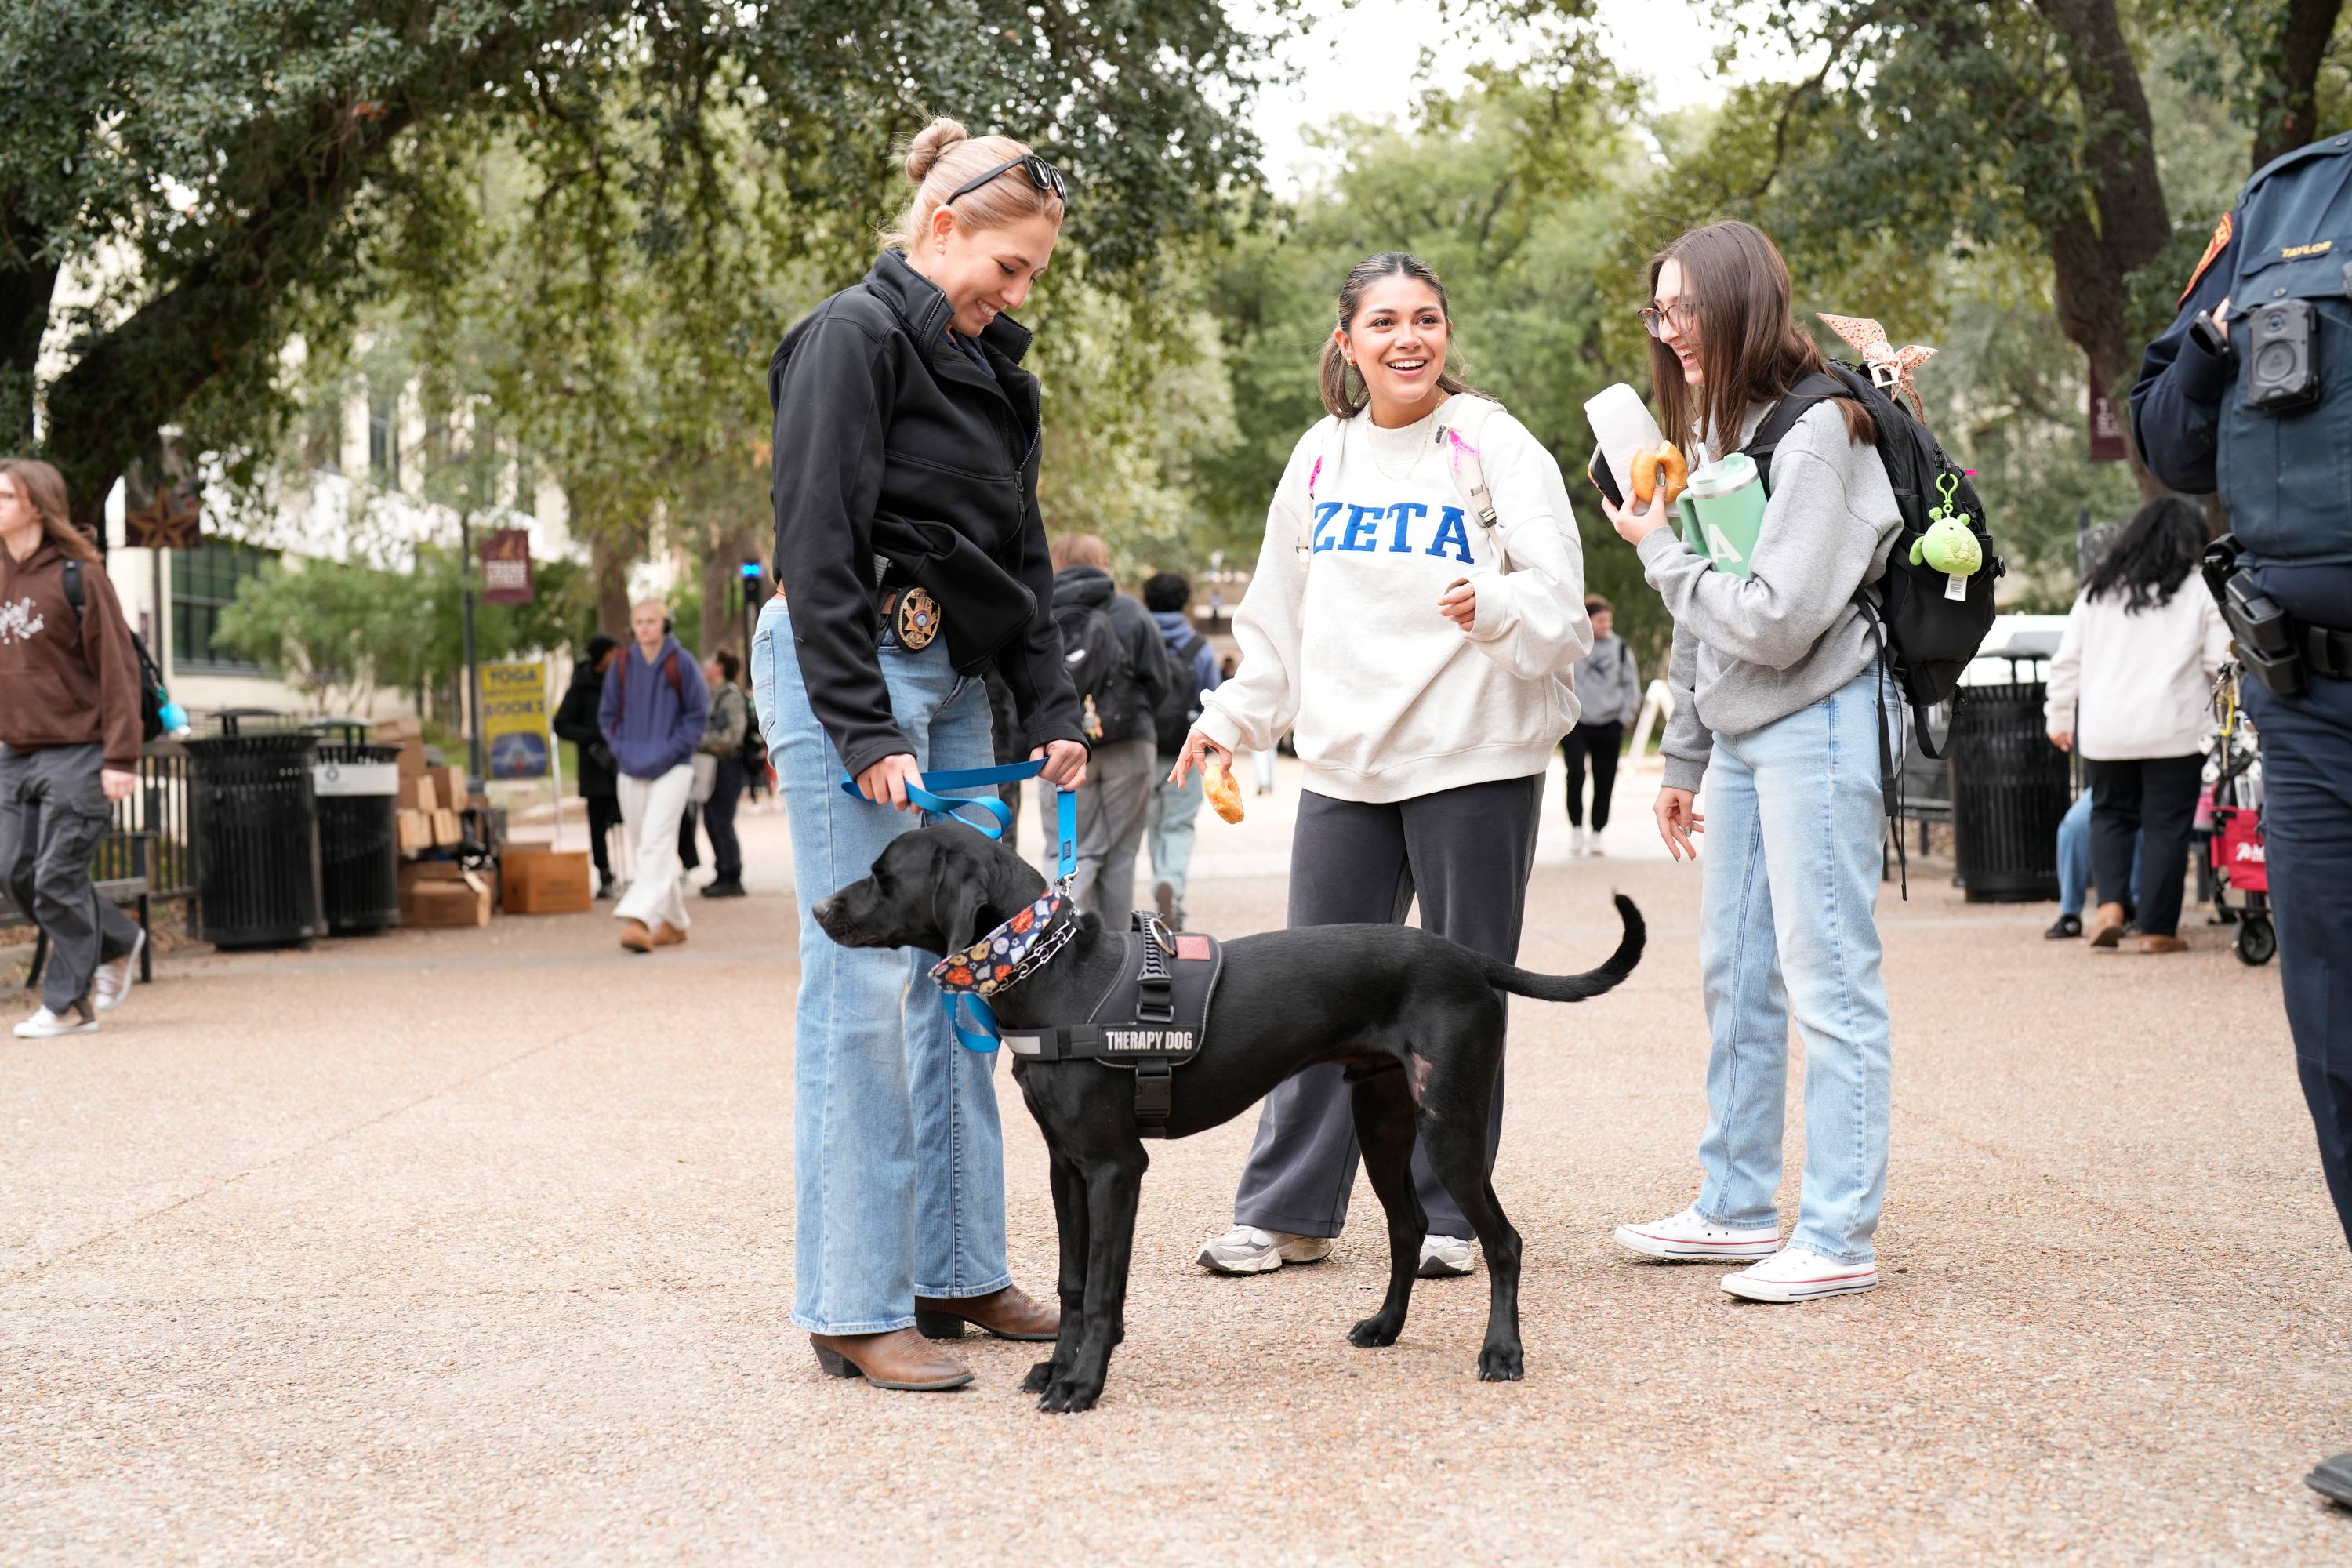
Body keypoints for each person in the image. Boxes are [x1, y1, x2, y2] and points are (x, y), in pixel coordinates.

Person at [1171, 251, 1590, 1280]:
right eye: (1387, 322)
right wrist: (1233, 719)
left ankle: (1451, 1214)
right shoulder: (1321, 456)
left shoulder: (1493, 444)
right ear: (1348, 340)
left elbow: (1560, 602)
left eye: (1429, 319)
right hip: (1348, 768)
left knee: (1456, 998)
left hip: (1473, 756)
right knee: (1299, 997)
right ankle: (1289, 1211)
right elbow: (1275, 620)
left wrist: (1494, 606)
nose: (1410, 338)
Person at [755, 115, 1087, 1393]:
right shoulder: (852, 337)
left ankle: (955, 1267)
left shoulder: (998, 371)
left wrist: (1051, 710)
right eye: (1005, 270)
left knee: (971, 979)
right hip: (859, 667)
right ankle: (851, 1301)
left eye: (1029, 281)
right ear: (941, 224)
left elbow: (1026, 557)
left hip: (956, 679)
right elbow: (819, 540)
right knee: (860, 994)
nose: (1014, 297)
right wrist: (855, 725)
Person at [1599, 220, 1903, 1304]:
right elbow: (1711, 620)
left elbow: (1772, 620)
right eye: (1660, 309)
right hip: (1738, 736)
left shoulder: (1823, 431)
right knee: (1736, 975)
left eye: (1686, 308)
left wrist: (1658, 549)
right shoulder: (1724, 427)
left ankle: (1836, 1233)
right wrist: (1683, 752)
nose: (1669, 329)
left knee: (1827, 978)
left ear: (1741, 305)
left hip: (1819, 718)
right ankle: (1732, 1208)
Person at [2131, 129, 2352, 1508]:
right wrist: (2213, 340)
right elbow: (2165, 433)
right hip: (2314, 709)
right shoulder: (2282, 202)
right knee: (2337, 1043)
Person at [0, 458, 145, 1038]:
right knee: (14, 871)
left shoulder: (79, 577)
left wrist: (120, 758)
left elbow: (118, 671)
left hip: (80, 751)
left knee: (57, 877)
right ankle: (114, 937)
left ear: (35, 505)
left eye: (5, 496)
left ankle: (65, 1003)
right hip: (15, 751)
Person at [2043, 496, 2223, 954]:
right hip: (2174, 729)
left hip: (2107, 730)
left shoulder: (2098, 590)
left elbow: (2066, 663)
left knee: (2111, 816)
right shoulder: (2199, 587)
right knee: (2166, 826)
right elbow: (2219, 661)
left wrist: (2060, 716)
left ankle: (2109, 908)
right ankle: (2158, 930)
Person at [1045, 533, 1169, 918]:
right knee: (1119, 853)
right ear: (1104, 562)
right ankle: (1116, 956)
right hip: (1129, 744)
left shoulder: (1039, 610)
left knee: (1066, 848)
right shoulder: (1131, 611)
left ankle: (1061, 940)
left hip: (1059, 743)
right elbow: (1158, 681)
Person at [598, 599, 708, 953]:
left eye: (652, 621)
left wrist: (673, 750)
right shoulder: (622, 666)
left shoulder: (682, 664)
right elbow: (608, 716)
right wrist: (622, 750)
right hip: (630, 767)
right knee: (643, 846)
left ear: (665, 624)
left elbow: (697, 716)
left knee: (656, 843)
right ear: (633, 626)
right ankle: (674, 923)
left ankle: (638, 918)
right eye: (639, 622)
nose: (645, 627)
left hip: (673, 767)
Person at [1142, 570, 1223, 927]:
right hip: (1186, 750)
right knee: (1178, 825)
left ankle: (1160, 883)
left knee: (1153, 824)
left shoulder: (1136, 637)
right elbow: (1214, 699)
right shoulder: (1198, 647)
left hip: (1143, 746)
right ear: (1185, 601)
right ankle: (1171, 885)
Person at [1561, 593, 1640, 855]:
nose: (1606, 625)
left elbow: (1631, 685)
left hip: (1609, 724)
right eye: (1601, 620)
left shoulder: (1619, 647)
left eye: (1609, 620)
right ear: (1588, 620)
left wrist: (1624, 718)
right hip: (1578, 723)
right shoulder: (1574, 644)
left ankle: (1597, 832)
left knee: (1604, 780)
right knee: (1575, 774)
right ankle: (1575, 828)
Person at [553, 634, 625, 898]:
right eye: (611, 653)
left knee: (631, 814)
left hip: (622, 761)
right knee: (598, 823)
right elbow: (561, 724)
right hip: (595, 764)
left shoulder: (620, 681)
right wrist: (591, 736)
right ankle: (604, 873)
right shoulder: (580, 687)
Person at [2048, 789, 2140, 940]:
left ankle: (2135, 907)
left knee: (2140, 829)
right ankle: (2070, 914)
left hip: (2155, 782)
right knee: (2073, 827)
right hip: (2112, 781)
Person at [696, 652, 749, 898]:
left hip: (727, 767)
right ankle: (722, 872)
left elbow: (732, 737)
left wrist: (699, 743)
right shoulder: (711, 695)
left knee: (722, 821)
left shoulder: (730, 696)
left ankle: (733, 876)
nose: (705, 665)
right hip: (711, 767)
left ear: (719, 668)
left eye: (709, 661)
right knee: (711, 821)